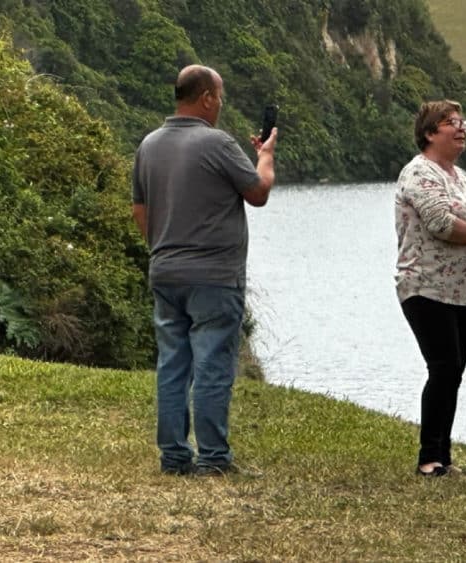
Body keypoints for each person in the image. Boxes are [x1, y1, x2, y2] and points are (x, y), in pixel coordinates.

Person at [131, 65, 277, 476]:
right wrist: (265, 155)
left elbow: (139, 210)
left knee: (172, 363)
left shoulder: (149, 144)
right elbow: (258, 192)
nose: (221, 105)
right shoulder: (217, 143)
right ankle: (213, 457)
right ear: (207, 97)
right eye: (221, 97)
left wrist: (161, 247)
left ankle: (174, 456)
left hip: (165, 269)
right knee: (212, 363)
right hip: (214, 275)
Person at [395, 100, 466, 477]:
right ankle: (429, 458)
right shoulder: (419, 172)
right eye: (450, 123)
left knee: (453, 372)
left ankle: (444, 456)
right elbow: (439, 221)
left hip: (464, 291)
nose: (461, 128)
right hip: (426, 285)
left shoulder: (460, 175)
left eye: (463, 122)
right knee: (444, 367)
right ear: (429, 133)